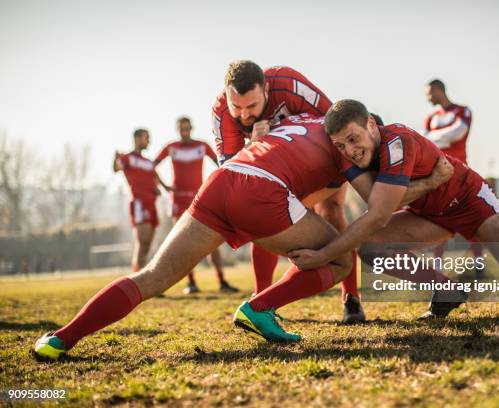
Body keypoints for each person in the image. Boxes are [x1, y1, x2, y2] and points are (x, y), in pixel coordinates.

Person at [33, 115, 450, 358]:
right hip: (261, 191)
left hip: (222, 180)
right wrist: (432, 181)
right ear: (364, 125)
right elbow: (379, 204)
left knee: (154, 276)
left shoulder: (295, 122)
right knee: (340, 259)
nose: (359, 147)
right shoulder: (347, 140)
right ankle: (259, 307)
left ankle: (60, 339)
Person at [289, 99, 499, 320]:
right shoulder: (350, 156)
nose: (350, 150)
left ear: (372, 125)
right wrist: (429, 184)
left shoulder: (397, 142)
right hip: (430, 212)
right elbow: (378, 205)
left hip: (470, 199)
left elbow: (379, 213)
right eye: (341, 145)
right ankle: (447, 290)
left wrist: (322, 255)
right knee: (372, 249)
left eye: (353, 138)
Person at [213, 60, 363, 323]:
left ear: (267, 90)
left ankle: (351, 298)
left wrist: (283, 130)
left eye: (252, 106)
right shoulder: (222, 112)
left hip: (320, 158)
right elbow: (233, 173)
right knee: (263, 218)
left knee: (332, 210)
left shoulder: (291, 85)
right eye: (237, 107)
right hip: (276, 171)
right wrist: (254, 144)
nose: (245, 115)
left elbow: (336, 124)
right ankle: (262, 299)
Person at [155, 117, 238, 294]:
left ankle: (222, 281)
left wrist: (219, 184)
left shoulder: (202, 145)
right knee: (183, 243)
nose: (184, 132)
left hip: (200, 198)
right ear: (178, 130)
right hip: (178, 200)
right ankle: (191, 283)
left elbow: (222, 163)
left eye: (187, 128)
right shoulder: (171, 147)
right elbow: (151, 166)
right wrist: (165, 186)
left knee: (213, 240)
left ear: (191, 128)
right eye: (181, 129)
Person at [424, 79, 485, 278]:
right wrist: (440, 137)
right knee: (438, 220)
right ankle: (438, 269)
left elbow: (457, 133)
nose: (428, 97)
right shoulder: (431, 117)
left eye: (429, 93)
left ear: (438, 90)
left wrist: (435, 137)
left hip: (461, 175)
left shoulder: (463, 111)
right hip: (438, 175)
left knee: (472, 220)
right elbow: (424, 140)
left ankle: (479, 264)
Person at [112, 129, 166, 273]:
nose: (148, 141)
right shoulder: (128, 158)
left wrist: (162, 187)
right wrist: (115, 158)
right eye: (146, 138)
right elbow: (116, 168)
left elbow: (155, 177)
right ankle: (138, 280)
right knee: (142, 244)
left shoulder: (148, 162)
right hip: (139, 204)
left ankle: (140, 276)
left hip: (152, 204)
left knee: (148, 245)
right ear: (136, 139)